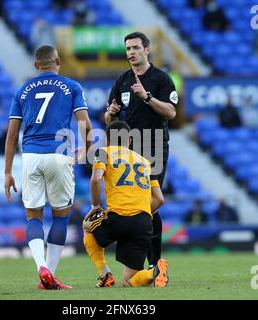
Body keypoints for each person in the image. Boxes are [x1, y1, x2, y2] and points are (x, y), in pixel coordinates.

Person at [4, 45, 92, 290]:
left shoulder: (22, 91)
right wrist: (85, 149)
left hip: (30, 155)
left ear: (36, 66)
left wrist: (7, 171)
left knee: (33, 216)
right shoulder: (72, 86)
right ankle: (49, 274)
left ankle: (41, 267)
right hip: (59, 154)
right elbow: (84, 121)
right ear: (58, 62)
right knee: (61, 216)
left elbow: (11, 135)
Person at [104, 32, 177, 269]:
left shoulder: (161, 79)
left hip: (153, 145)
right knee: (139, 206)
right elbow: (108, 119)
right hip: (129, 149)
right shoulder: (122, 80)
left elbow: (171, 112)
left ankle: (154, 263)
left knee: (149, 202)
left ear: (146, 50)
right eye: (128, 49)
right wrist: (111, 112)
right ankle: (150, 265)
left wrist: (146, 97)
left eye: (136, 47)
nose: (131, 52)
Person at [83, 121, 168, 288]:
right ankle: (154, 271)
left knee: (86, 225)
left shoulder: (103, 153)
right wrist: (141, 211)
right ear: (129, 140)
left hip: (118, 217)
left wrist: (95, 206)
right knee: (130, 281)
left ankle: (105, 274)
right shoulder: (145, 161)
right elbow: (159, 199)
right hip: (143, 223)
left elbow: (95, 179)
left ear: (107, 140)